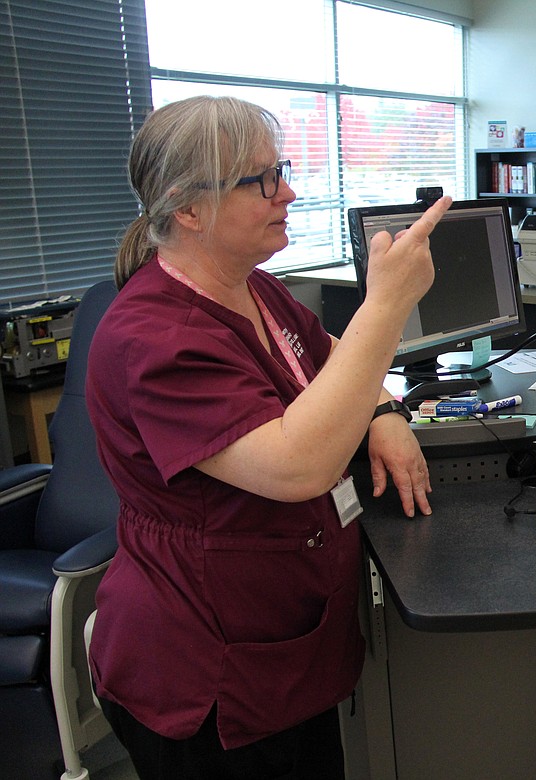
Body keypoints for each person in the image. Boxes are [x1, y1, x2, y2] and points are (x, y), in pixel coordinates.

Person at [85, 95, 452, 779]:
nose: (288, 192)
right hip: (209, 671)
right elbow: (298, 466)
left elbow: (336, 357)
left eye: (279, 170)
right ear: (188, 209)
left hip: (285, 637)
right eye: (261, 181)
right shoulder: (156, 339)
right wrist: (390, 302)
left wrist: (384, 414)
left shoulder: (254, 289)